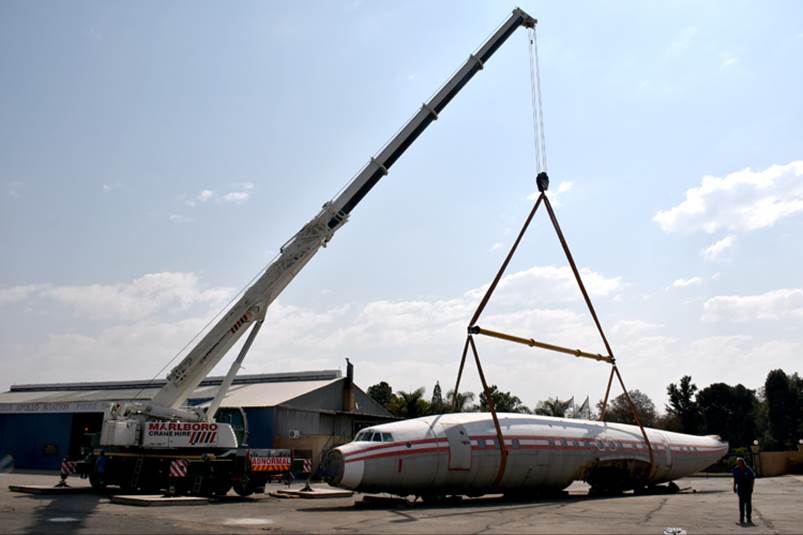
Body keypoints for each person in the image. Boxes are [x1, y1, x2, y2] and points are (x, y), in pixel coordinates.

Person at [732, 457, 755, 524]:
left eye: (740, 462)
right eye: (738, 463)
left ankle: (749, 518)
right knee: (741, 504)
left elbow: (752, 479)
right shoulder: (736, 469)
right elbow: (735, 479)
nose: (739, 464)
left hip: (747, 488)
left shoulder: (748, 469)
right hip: (740, 488)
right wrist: (734, 486)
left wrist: (752, 488)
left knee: (748, 503)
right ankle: (741, 518)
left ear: (743, 462)